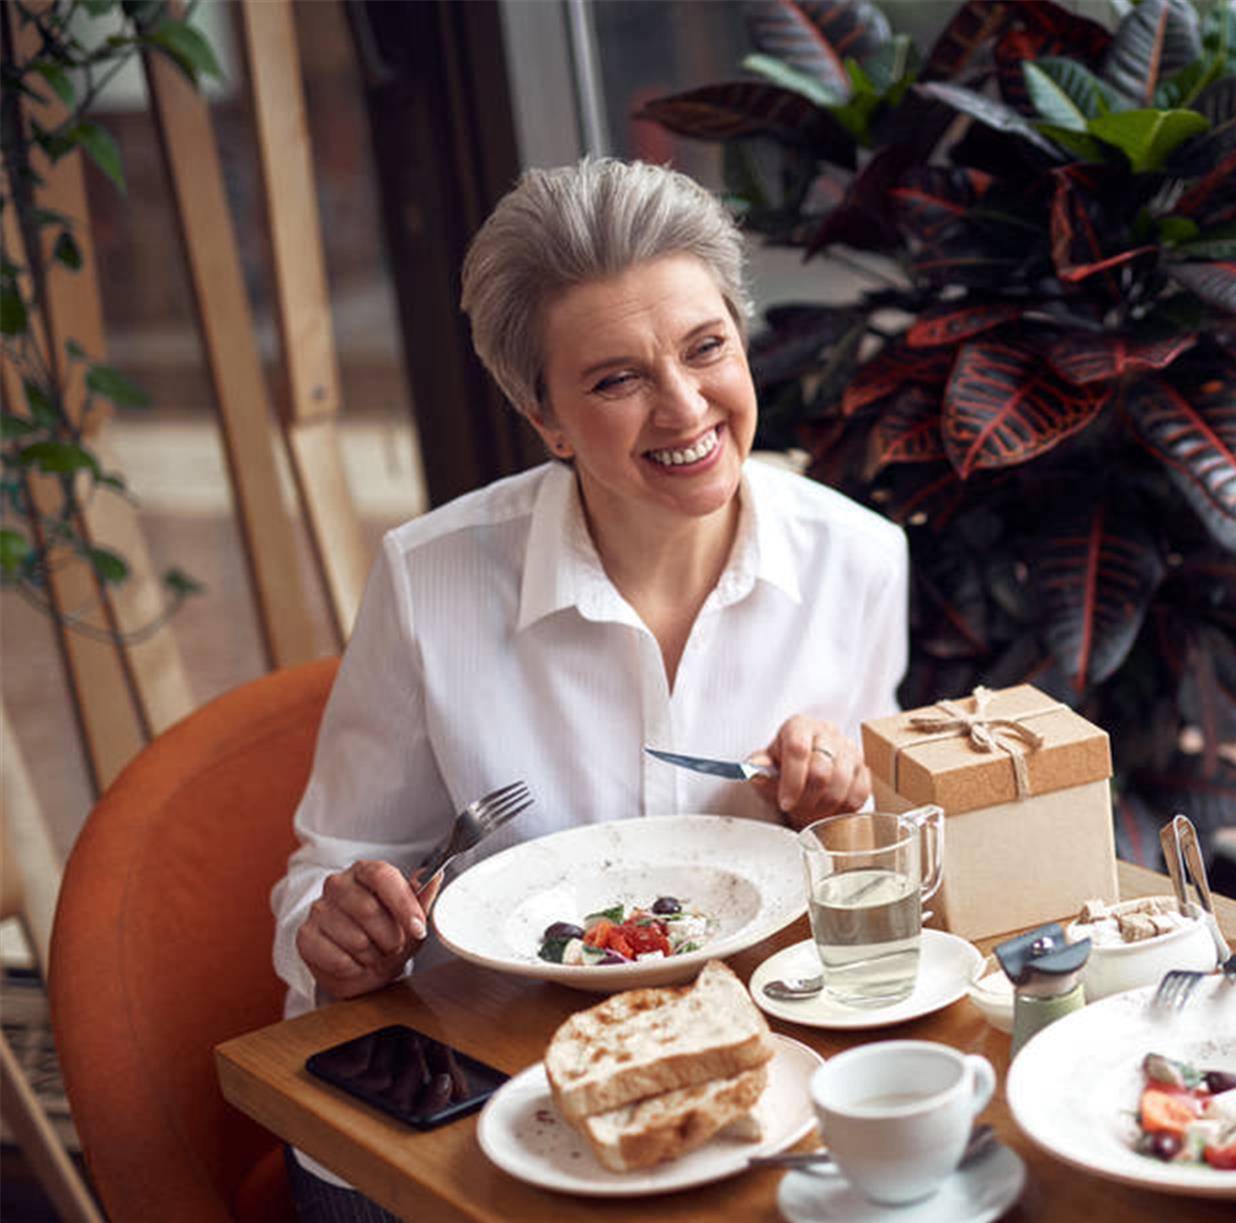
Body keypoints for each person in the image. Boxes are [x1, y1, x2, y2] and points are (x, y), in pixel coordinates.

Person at [269, 158, 908, 1218]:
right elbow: (331, 869)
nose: (685, 406)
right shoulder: (430, 579)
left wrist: (845, 816)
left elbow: (880, 873)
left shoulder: (860, 558)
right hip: (480, 1102)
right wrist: (333, 932)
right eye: (617, 379)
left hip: (754, 1083)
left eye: (708, 349)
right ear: (546, 417)